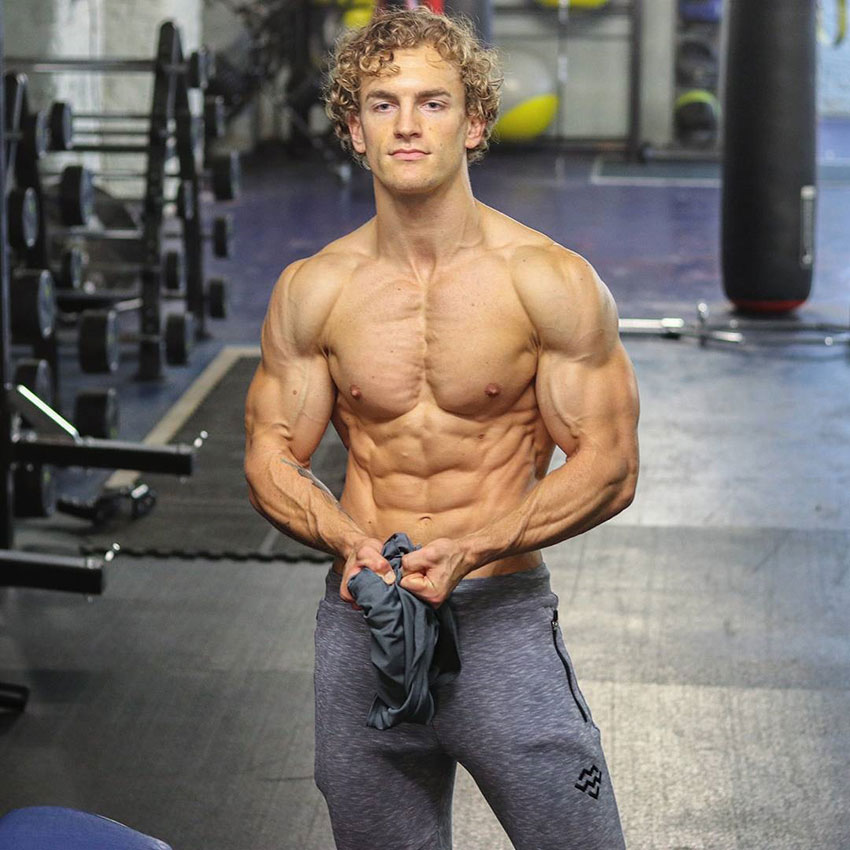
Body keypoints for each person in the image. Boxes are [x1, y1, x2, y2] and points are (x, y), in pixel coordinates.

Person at [244, 7, 640, 849]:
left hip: (498, 621)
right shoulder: (316, 289)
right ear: (354, 128)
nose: (409, 124)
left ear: (476, 120)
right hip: (366, 620)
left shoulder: (550, 281)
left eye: (433, 102)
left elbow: (609, 464)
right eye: (383, 104)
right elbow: (270, 454)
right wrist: (346, 540)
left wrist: (475, 546)